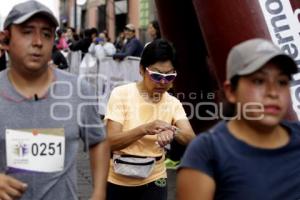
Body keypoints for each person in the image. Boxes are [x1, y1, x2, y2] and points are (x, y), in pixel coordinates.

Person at [0, 1, 110, 200]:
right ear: (5, 39)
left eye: (46, 34)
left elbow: (99, 140)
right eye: (27, 32)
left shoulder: (78, 90)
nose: (38, 42)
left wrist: (99, 192)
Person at [177, 38, 300, 200]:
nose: (273, 92)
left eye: (282, 82)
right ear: (231, 91)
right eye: (259, 81)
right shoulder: (208, 151)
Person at [105, 39, 195, 200]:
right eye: (156, 75)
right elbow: (110, 141)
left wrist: (172, 130)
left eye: (169, 76)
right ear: (141, 70)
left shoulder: (172, 102)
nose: (162, 82)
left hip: (155, 177)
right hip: (118, 178)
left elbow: (190, 138)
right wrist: (145, 129)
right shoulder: (121, 94)